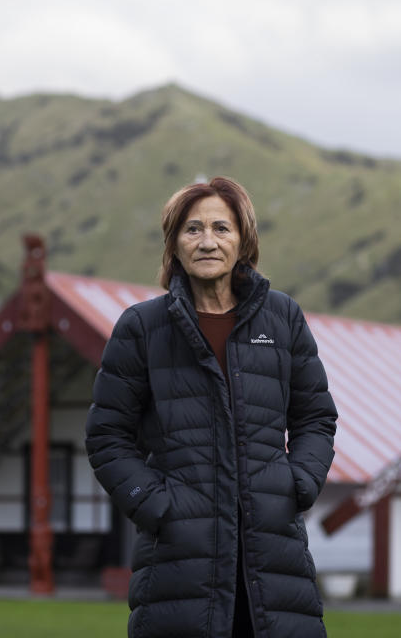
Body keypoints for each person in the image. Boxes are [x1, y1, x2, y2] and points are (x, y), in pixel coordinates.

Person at [85, 176, 337, 638]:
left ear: (243, 241)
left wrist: (296, 484)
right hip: (178, 564)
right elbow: (107, 438)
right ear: (174, 245)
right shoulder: (141, 327)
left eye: (221, 228)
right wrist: (157, 506)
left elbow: (315, 418)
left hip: (275, 556)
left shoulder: (283, 319)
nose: (207, 242)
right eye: (192, 229)